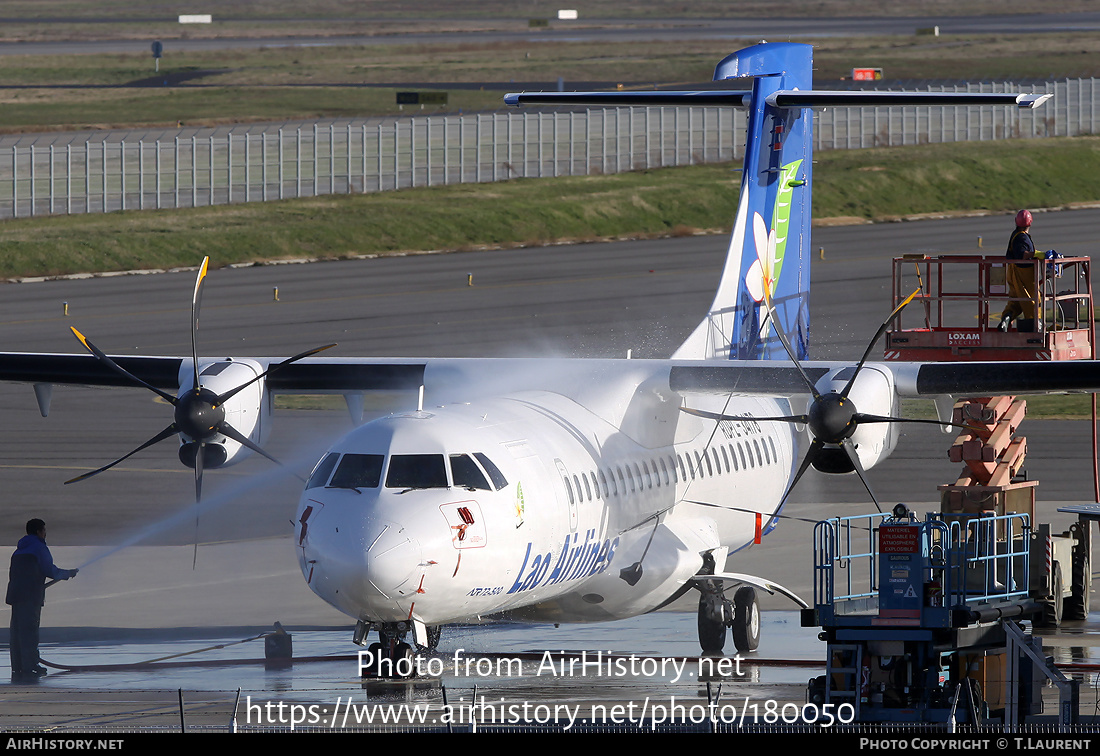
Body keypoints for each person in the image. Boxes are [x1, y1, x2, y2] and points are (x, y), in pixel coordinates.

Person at [6, 519, 77, 680]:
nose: (45, 534)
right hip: (30, 596)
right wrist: (68, 573)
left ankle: (18, 666)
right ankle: (30, 666)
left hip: (16, 595)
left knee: (17, 632)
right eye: (44, 531)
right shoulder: (39, 547)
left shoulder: (19, 550)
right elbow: (49, 569)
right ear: (39, 532)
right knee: (29, 631)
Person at [998, 209, 1042, 332]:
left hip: (1012, 272)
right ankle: (1034, 328)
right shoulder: (1022, 237)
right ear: (1030, 223)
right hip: (1024, 274)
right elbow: (1023, 254)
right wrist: (1038, 254)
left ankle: (1006, 319)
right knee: (1032, 301)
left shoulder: (1015, 234)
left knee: (1016, 301)